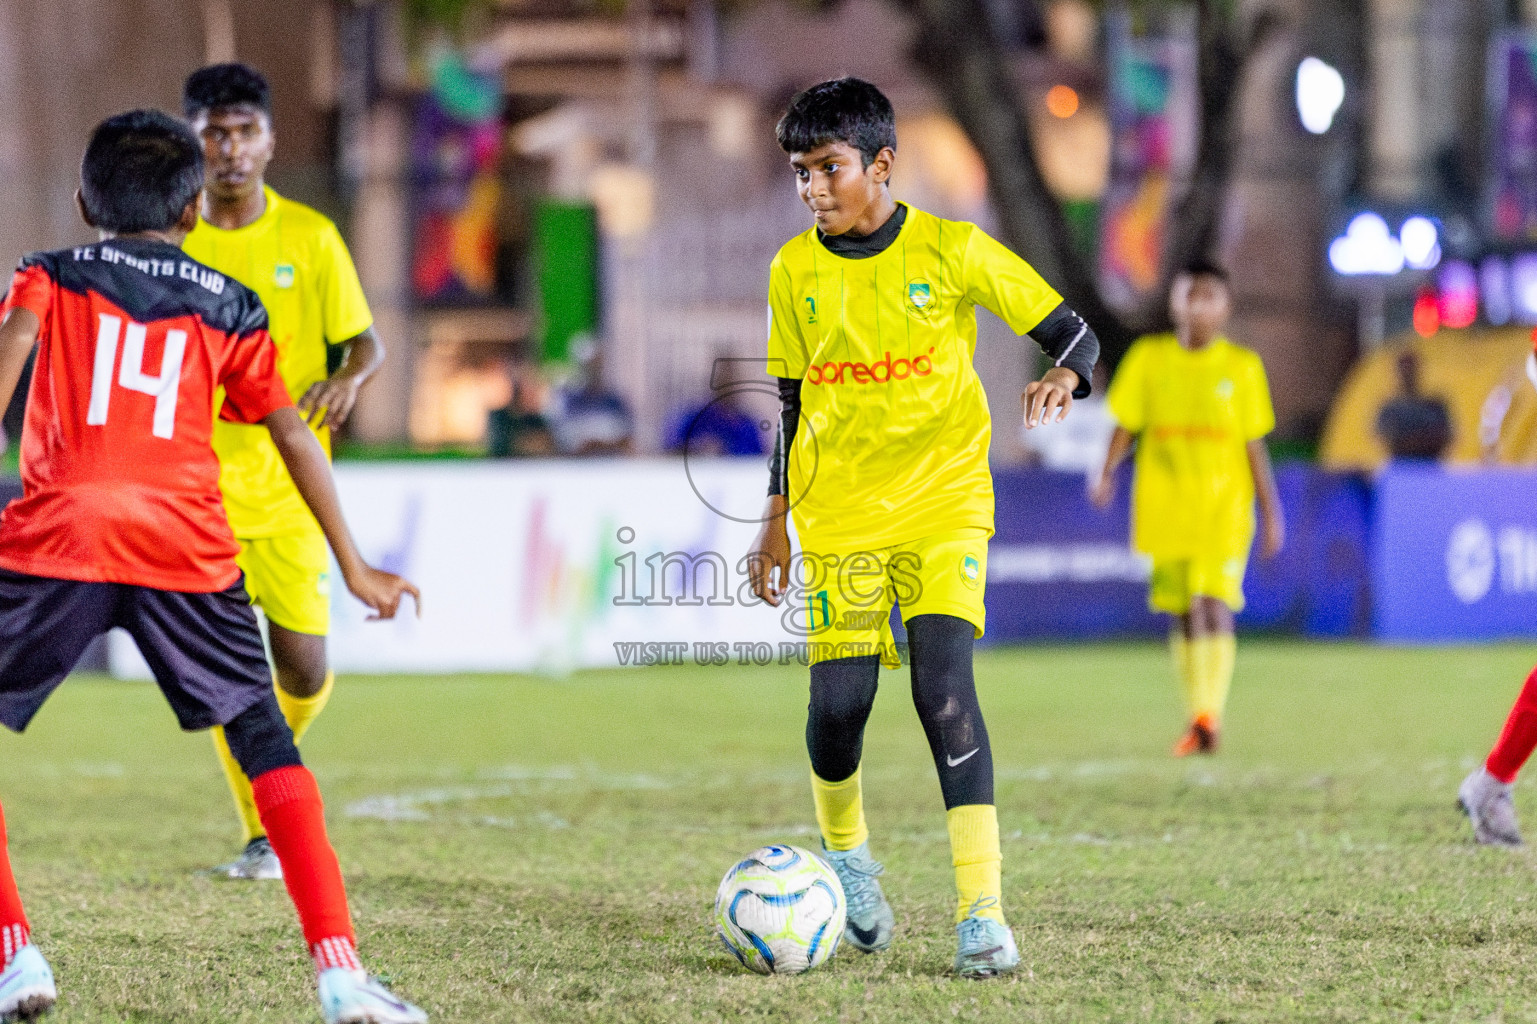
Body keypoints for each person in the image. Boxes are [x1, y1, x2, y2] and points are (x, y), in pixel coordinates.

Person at [0, 110, 425, 1023]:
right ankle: (341, 973)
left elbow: (8, 361)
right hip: (185, 546)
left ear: (84, 202)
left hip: (60, 531)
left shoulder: (45, 276)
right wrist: (354, 565)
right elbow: (292, 436)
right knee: (264, 737)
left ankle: (13, 958)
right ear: (194, 208)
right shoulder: (227, 304)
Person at [746, 78, 1100, 979]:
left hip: (945, 505)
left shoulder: (952, 251)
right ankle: (853, 869)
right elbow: (789, 406)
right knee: (837, 713)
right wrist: (774, 523)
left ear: (883, 164)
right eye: (800, 173)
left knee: (942, 691)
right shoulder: (794, 272)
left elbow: (1074, 334)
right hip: (841, 517)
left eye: (828, 168)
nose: (814, 189)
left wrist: (1065, 377)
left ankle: (981, 913)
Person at [180, 64, 387, 880]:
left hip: (295, 489)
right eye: (213, 132)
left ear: (268, 141)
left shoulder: (311, 237)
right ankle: (265, 826)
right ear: (192, 140)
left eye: (243, 131)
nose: (229, 148)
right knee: (236, 676)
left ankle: (269, 769)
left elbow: (365, 341)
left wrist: (350, 377)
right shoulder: (172, 239)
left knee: (302, 668)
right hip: (195, 492)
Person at [1090, 261, 1284, 757]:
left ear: (1225, 306)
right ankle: (1199, 716)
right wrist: (1107, 472)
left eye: (1209, 295)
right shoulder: (1149, 360)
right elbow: (1125, 424)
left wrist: (1272, 513)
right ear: (1175, 301)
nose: (1198, 305)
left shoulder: (1242, 368)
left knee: (1210, 604)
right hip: (1165, 508)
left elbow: (1253, 446)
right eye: (1190, 294)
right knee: (1181, 611)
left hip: (1224, 510)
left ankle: (1208, 717)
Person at [1374, 348, 1451, 461]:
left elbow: (1446, 435)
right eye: (1404, 369)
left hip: (1430, 466)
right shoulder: (1389, 408)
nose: (1407, 373)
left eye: (1410, 368)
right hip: (1401, 466)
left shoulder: (1434, 406)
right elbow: (1383, 437)